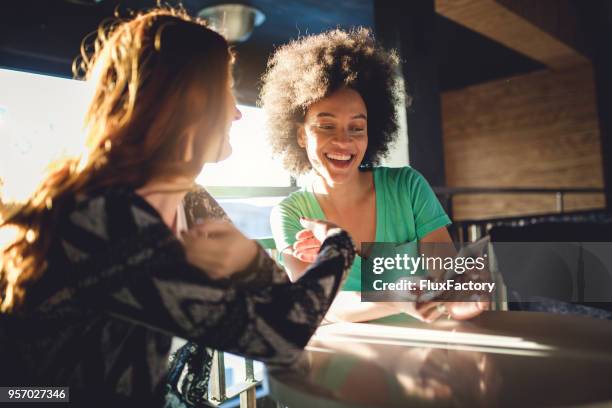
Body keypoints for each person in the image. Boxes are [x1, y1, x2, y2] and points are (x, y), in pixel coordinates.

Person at [0, 8, 355, 405]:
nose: (237, 113)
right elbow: (283, 335)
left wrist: (247, 261)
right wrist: (339, 242)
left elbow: (280, 304)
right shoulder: (107, 221)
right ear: (190, 104)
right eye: (226, 91)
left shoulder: (191, 199)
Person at [261, 28, 485, 323]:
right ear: (301, 135)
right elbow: (317, 302)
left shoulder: (408, 187)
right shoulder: (290, 213)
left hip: (424, 353)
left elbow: (447, 276)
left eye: (357, 128)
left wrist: (468, 290)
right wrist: (396, 298)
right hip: (341, 356)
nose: (344, 142)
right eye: (327, 126)